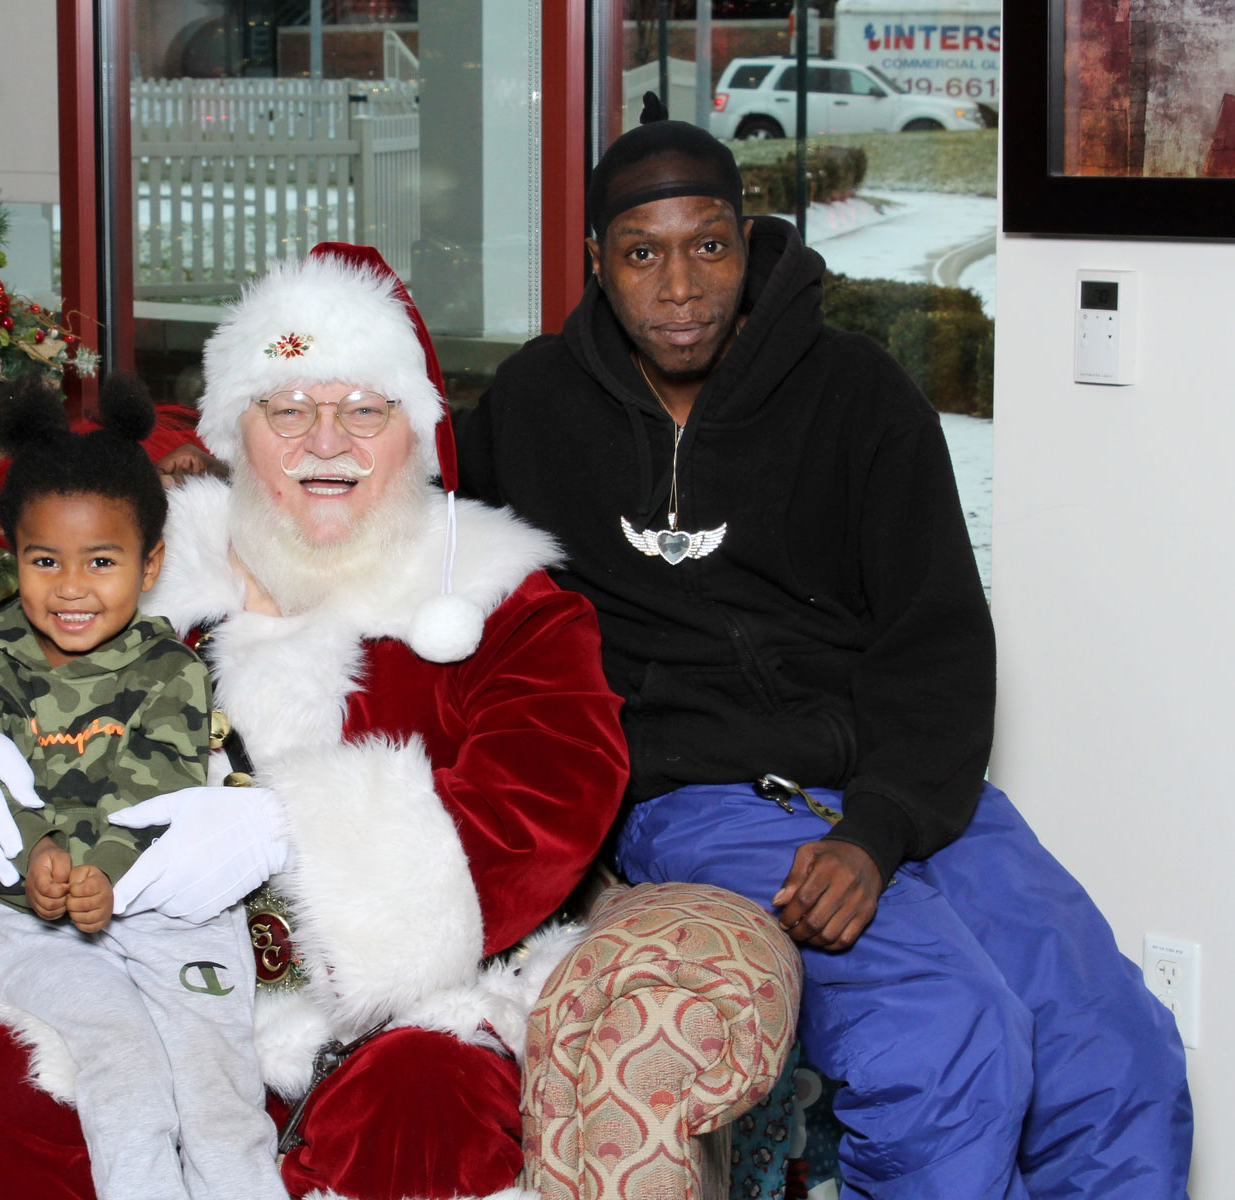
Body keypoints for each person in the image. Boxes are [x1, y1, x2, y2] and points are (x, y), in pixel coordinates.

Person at [456, 101, 1193, 1198]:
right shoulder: (532, 406)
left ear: (747, 241)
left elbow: (939, 639)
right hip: (700, 791)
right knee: (949, 1037)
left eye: (707, 246)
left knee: (1114, 1043)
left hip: (892, 774)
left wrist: (881, 828)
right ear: (596, 263)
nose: (680, 285)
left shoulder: (856, 395)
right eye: (643, 254)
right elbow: (398, 509)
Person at [0, 242, 630, 1200]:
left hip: (387, 1013)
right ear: (237, 429)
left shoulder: (500, 600)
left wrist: (272, 837)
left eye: (364, 410)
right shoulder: (149, 565)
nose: (327, 443)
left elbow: (548, 805)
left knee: (426, 1099)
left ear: (418, 433)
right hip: (134, 975)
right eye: (288, 410)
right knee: (21, 1090)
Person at [0, 373, 285, 1200]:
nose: (72, 587)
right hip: (33, 921)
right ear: (13, 553)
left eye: (101, 561)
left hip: (166, 905)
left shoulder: (169, 666)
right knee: (122, 1065)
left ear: (149, 561)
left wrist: (107, 872)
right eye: (44, 560)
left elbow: (157, 791)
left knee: (217, 1091)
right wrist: (37, 857)